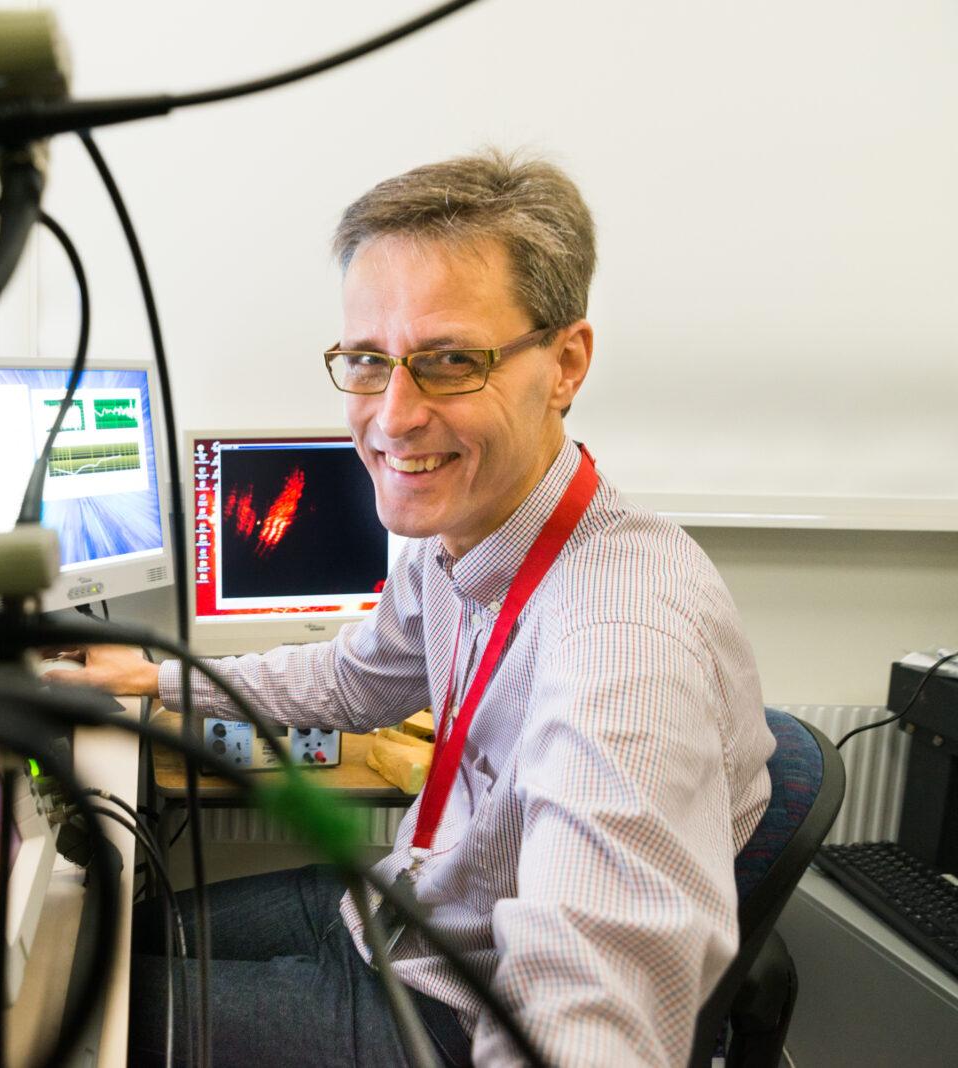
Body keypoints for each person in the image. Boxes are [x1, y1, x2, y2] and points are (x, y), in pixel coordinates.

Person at [49, 149, 775, 1066]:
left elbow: (585, 1015)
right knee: (100, 933)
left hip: (446, 1017)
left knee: (60, 1015)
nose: (391, 416)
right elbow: (354, 677)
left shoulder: (621, 641)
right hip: (395, 918)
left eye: (448, 362)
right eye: (368, 360)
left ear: (566, 363)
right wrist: (157, 675)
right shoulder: (463, 540)